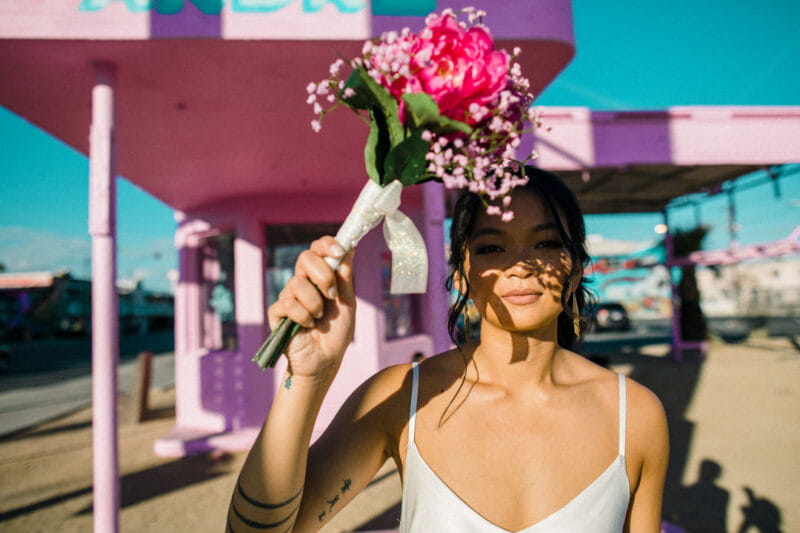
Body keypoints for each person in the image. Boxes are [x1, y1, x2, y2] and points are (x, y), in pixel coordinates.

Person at [227, 167, 669, 532]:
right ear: (461, 274)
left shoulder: (635, 415)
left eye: (546, 243)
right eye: (492, 247)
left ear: (576, 268)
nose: (519, 265)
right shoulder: (402, 396)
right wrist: (308, 376)